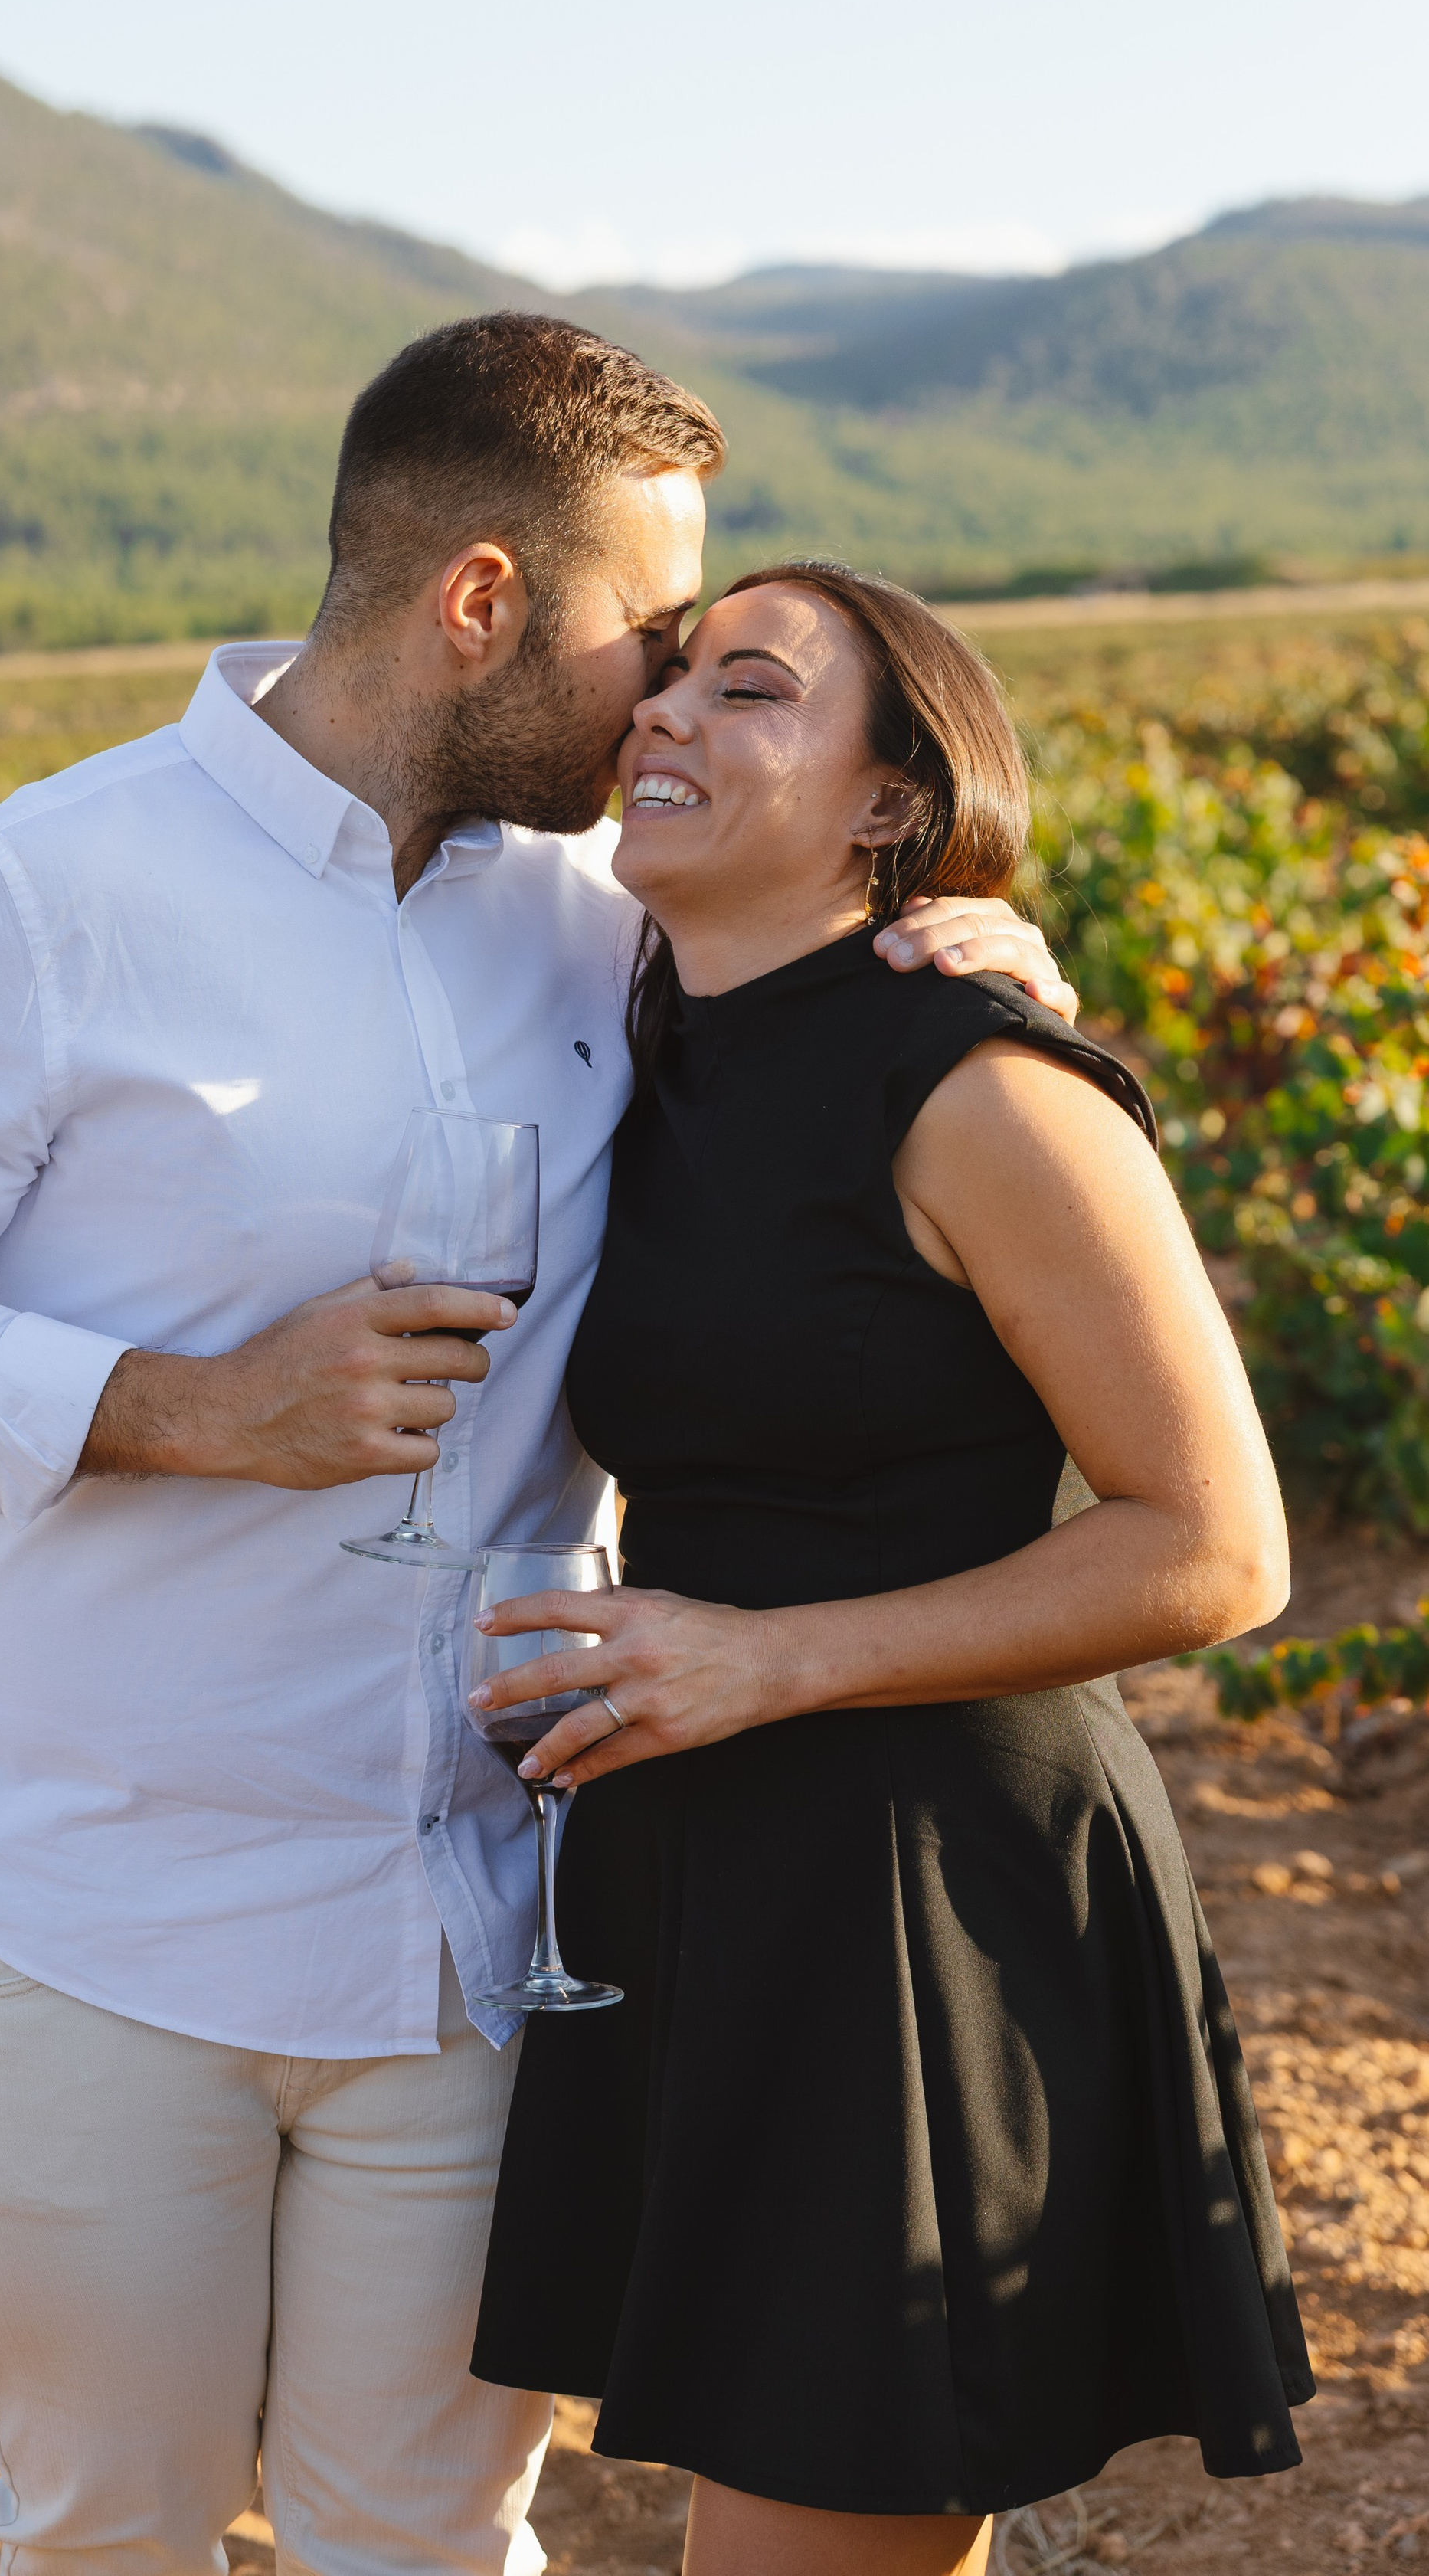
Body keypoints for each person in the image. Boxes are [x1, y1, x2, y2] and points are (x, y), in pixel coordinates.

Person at [0, 324, 1075, 2576]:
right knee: (111, 2529)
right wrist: (187, 1411)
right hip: (93, 1908)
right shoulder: (38, 891)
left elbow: (837, 1127)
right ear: (476, 604)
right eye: (648, 632)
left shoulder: (611, 922)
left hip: (476, 1915)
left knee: (431, 2537)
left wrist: (959, 960)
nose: (662, 696)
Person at [466, 561, 1313, 2576]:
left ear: (884, 808)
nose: (662, 713)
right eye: (663, 679)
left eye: (746, 689)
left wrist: (769, 1661)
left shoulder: (983, 1088)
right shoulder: (647, 1039)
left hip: (925, 1886)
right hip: (724, 1850)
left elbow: (1221, 1550)